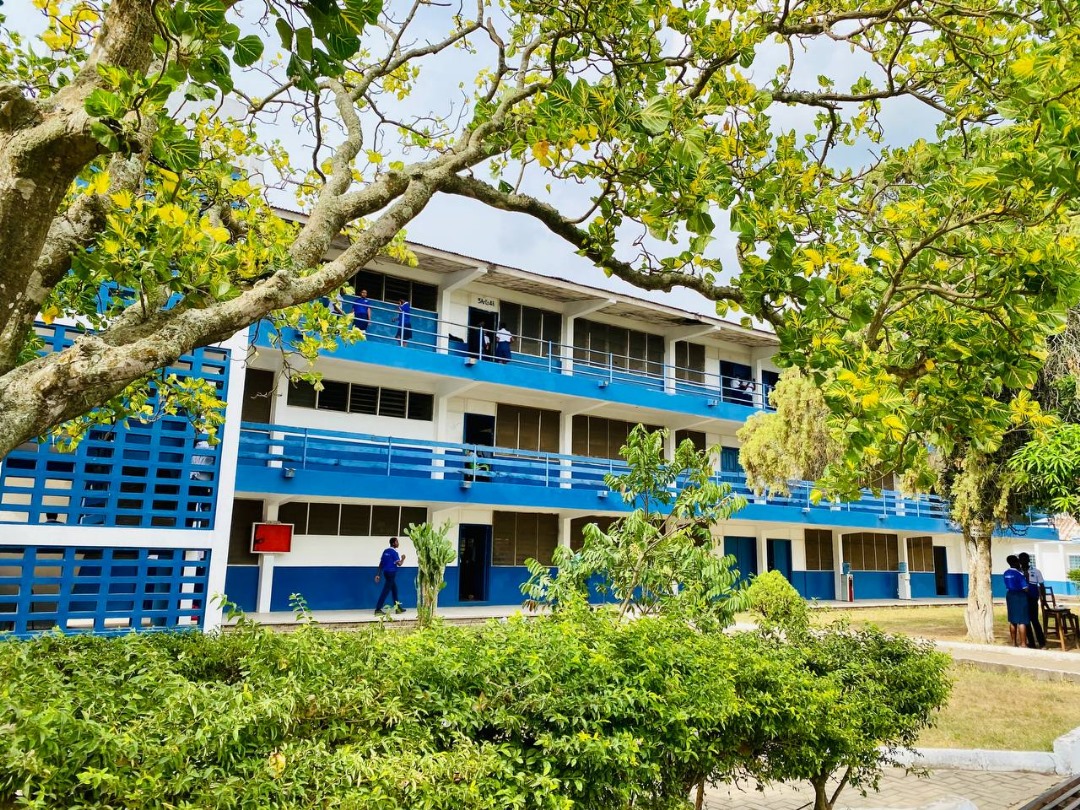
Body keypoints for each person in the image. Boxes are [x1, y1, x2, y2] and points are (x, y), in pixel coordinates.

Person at [1019, 552, 1047, 649]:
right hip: (1022, 599)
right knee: (1026, 621)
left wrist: (1043, 599)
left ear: (1028, 560)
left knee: (1034, 620)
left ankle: (1042, 642)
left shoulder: (1036, 571)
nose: (1023, 561)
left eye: (1025, 559)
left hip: (1033, 598)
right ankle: (1031, 643)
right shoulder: (1018, 572)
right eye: (1021, 559)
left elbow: (1042, 585)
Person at [374, 537, 406, 614]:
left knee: (394, 590)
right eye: (397, 542)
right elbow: (399, 564)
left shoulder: (385, 551)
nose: (398, 543)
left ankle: (397, 608)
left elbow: (381, 563)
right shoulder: (394, 552)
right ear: (393, 543)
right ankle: (378, 609)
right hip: (391, 573)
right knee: (385, 591)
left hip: (386, 573)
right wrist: (403, 558)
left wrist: (378, 574)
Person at [1004, 554, 1030, 648]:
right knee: (1022, 621)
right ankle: (1023, 643)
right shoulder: (1019, 574)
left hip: (1010, 595)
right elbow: (1025, 588)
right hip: (1020, 596)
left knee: (1012, 620)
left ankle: (1014, 643)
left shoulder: (1006, 573)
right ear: (1016, 562)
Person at [190, 439, 214, 528]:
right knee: (192, 505)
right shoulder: (204, 446)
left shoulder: (204, 446)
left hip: (201, 481)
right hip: (199, 480)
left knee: (195, 505)